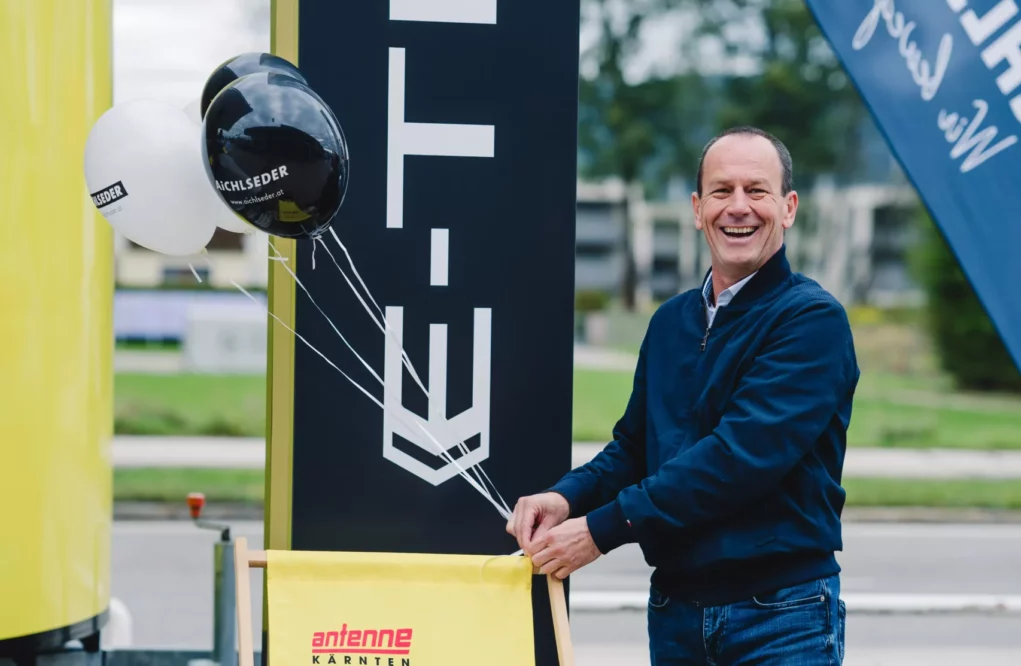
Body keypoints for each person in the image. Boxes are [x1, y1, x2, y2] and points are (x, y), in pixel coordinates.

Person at [506, 126, 858, 665]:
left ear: (788, 208)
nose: (738, 207)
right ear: (697, 209)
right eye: (721, 191)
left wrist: (602, 529)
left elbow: (737, 459)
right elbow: (632, 447)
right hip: (676, 615)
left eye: (756, 191)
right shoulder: (671, 322)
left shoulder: (811, 321)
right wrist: (568, 497)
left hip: (782, 617)